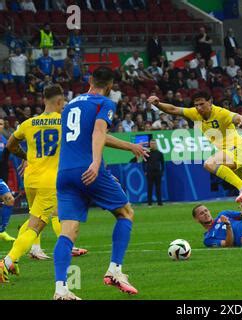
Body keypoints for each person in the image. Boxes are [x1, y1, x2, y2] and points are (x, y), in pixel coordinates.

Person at [51, 67, 148, 299]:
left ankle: (60, 289)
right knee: (125, 212)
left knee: (68, 231)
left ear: (90, 80)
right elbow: (98, 132)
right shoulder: (104, 103)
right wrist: (96, 164)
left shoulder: (70, 105)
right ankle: (115, 270)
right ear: (111, 85)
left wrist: (130, 146)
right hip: (88, 169)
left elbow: (93, 134)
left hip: (64, 173)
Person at [147, 91, 242, 223]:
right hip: (237, 152)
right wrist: (158, 104)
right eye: (196, 105)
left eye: (202, 104)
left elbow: (236, 117)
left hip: (239, 149)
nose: (199, 108)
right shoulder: (195, 113)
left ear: (210, 102)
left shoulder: (220, 112)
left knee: (209, 163)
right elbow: (174, 109)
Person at [0, 85, 89, 281]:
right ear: (59, 102)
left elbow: (10, 145)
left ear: (43, 100)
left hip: (30, 179)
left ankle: (14, 258)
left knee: (36, 218)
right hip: (50, 181)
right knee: (36, 226)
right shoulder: (65, 122)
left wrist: (25, 157)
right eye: (63, 101)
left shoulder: (28, 123)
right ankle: (6, 262)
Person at [143, 139, 164, 206]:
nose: (153, 145)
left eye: (154, 143)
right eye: (151, 143)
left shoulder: (159, 153)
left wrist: (162, 171)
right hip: (149, 173)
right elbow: (143, 163)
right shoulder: (147, 153)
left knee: (158, 188)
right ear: (150, 144)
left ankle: (159, 203)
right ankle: (149, 203)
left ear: (156, 144)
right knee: (149, 188)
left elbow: (162, 163)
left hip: (157, 173)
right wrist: (145, 171)